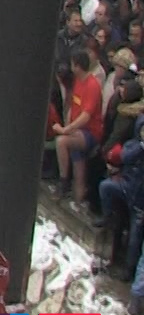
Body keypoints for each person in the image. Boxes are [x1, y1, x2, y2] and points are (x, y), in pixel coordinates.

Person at [53, 49, 105, 211]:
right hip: (78, 131)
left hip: (90, 133)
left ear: (77, 66)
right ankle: (78, 197)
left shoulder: (92, 85)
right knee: (79, 169)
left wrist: (65, 130)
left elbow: (86, 116)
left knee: (61, 142)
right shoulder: (77, 81)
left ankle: (63, 180)